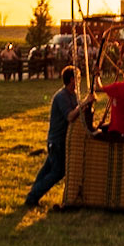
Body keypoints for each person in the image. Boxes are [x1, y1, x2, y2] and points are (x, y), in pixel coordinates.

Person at [24, 65, 83, 209]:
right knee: (57, 172)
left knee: (47, 169)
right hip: (57, 141)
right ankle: (33, 196)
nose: (80, 81)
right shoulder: (61, 96)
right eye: (79, 78)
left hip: (61, 140)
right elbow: (70, 116)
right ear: (72, 80)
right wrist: (84, 104)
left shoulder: (72, 95)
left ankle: (32, 196)